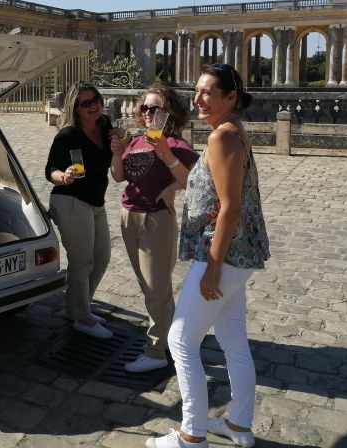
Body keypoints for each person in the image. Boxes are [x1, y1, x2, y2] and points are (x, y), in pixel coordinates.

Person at [149, 63, 270, 448]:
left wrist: (213, 268)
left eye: (207, 93)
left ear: (230, 97)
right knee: (234, 339)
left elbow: (231, 207)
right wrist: (167, 154)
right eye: (196, 91)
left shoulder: (222, 138)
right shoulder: (231, 132)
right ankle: (239, 425)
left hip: (221, 253)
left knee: (181, 340)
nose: (197, 99)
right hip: (238, 253)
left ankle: (192, 434)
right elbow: (201, 186)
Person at [110, 85, 198, 373]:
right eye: (145, 108)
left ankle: (155, 351)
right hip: (129, 215)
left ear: (169, 112)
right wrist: (116, 152)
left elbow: (198, 177)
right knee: (153, 286)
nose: (148, 114)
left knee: (154, 290)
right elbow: (119, 177)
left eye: (155, 109)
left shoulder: (174, 143)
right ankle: (172, 338)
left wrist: (172, 186)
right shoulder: (136, 142)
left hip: (156, 220)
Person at [46, 81, 114, 339]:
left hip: (96, 202)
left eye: (96, 99)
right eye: (86, 103)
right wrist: (62, 176)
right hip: (70, 200)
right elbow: (49, 169)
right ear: (75, 108)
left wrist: (120, 137)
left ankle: (79, 308)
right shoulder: (68, 135)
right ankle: (82, 317)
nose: (94, 106)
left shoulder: (105, 125)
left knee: (102, 257)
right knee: (82, 262)